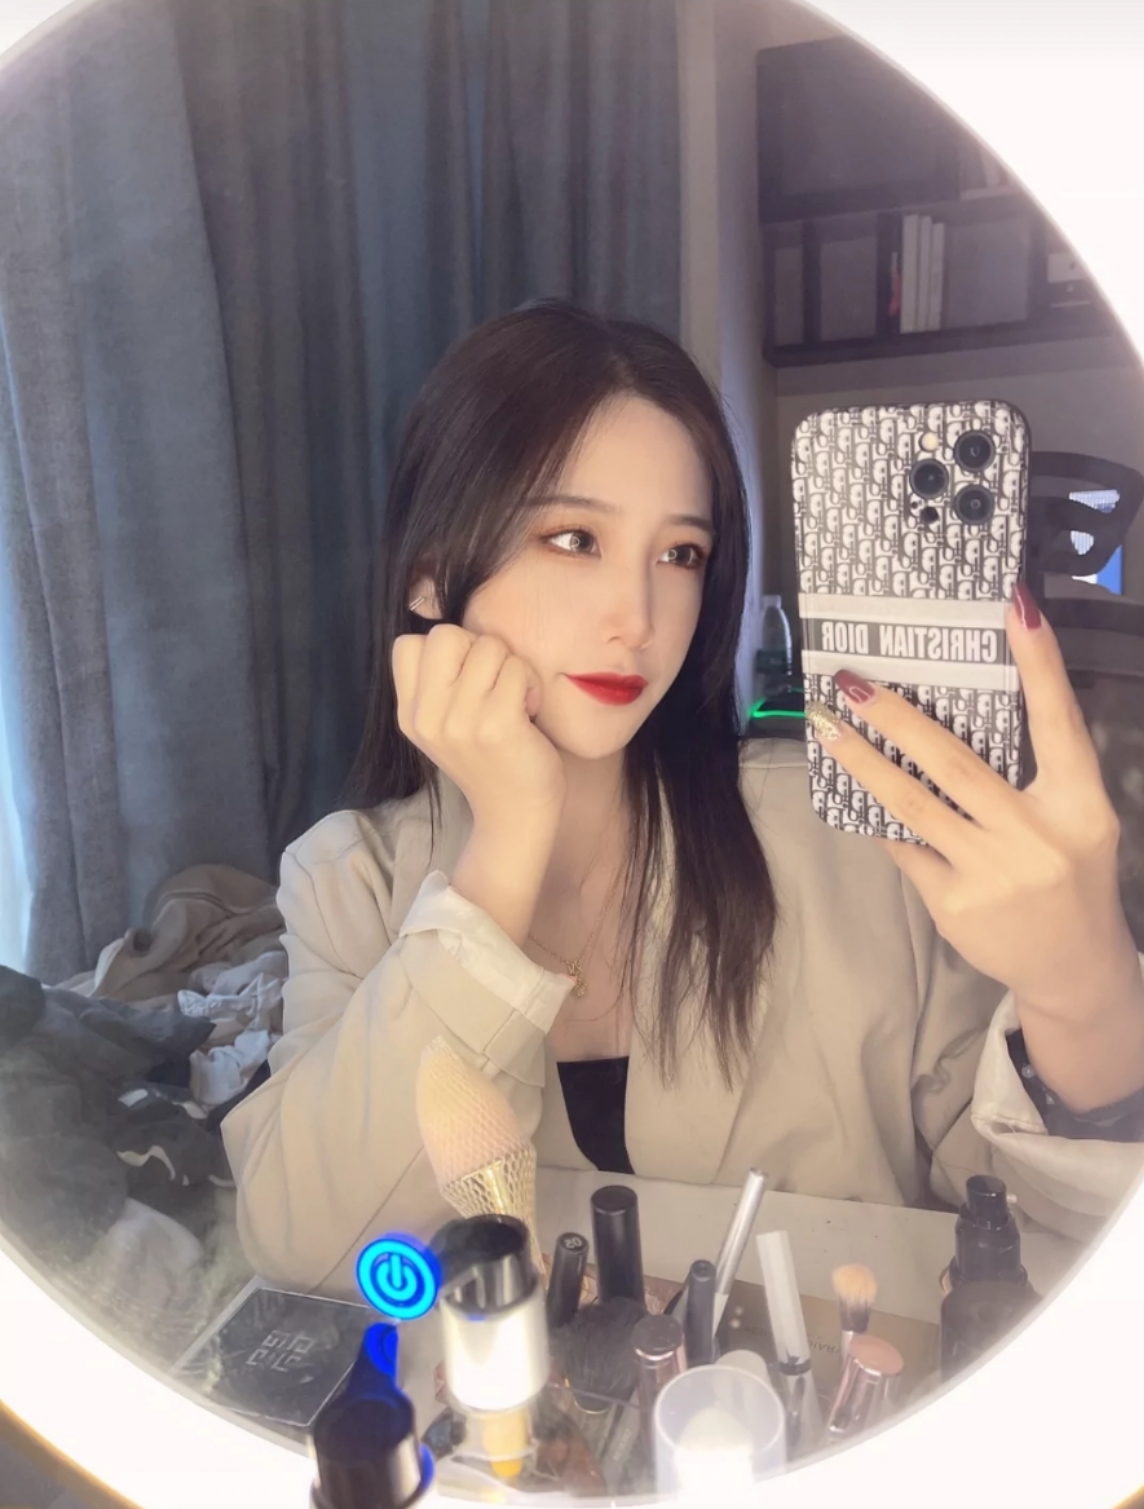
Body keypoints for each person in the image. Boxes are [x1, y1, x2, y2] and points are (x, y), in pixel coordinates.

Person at [223, 301, 1144, 1296]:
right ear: (428, 576)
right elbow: (309, 1253)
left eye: (681, 555)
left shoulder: (844, 835)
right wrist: (506, 848)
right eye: (573, 538)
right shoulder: (348, 882)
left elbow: (1061, 1242)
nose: (638, 617)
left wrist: (1083, 991)